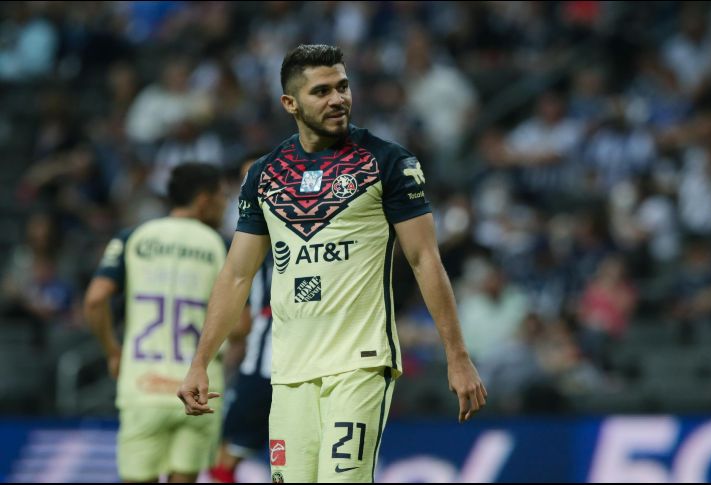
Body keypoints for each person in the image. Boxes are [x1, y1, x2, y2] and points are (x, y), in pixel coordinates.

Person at [178, 44, 487, 483]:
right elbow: (237, 275)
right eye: (321, 91)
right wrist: (200, 362)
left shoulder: (388, 162)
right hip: (289, 370)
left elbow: (424, 259)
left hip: (360, 363)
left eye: (342, 87)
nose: (337, 99)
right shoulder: (264, 175)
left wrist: (457, 356)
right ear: (290, 103)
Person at [84, 163, 231, 483]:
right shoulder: (222, 245)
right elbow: (241, 323)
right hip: (200, 388)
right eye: (222, 197)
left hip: (142, 385)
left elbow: (95, 300)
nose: (226, 204)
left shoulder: (134, 237)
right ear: (203, 200)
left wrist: (112, 351)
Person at [209, 261, 273, 483]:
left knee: (224, 456)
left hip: (260, 372)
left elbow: (240, 327)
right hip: (303, 370)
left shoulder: (257, 263)